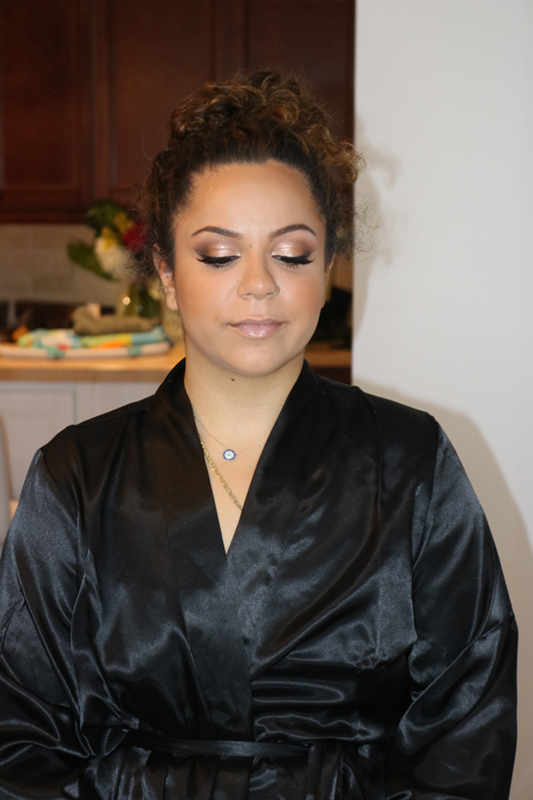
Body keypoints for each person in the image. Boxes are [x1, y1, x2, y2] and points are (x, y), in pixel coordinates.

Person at [0, 71, 517, 799]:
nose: (258, 284)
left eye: (291, 253)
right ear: (166, 273)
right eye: (218, 254)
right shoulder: (75, 477)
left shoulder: (409, 463)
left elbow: (465, 726)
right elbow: (21, 736)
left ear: (327, 267)